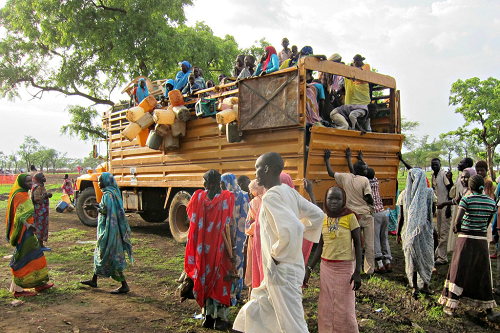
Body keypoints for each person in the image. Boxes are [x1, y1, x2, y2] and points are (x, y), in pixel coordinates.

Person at [233, 152, 324, 333]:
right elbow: (317, 215)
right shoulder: (289, 192)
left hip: (281, 272)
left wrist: (276, 255)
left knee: (294, 326)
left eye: (257, 168)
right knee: (254, 310)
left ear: (266, 169)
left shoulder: (271, 197)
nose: (255, 173)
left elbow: (293, 228)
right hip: (280, 271)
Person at [438, 175, 500, 322]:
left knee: (458, 270)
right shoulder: (491, 202)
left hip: (465, 240)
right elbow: (487, 223)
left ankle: (451, 306)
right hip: (481, 241)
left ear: (470, 187)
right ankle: (489, 310)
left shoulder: (467, 199)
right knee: (482, 272)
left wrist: (457, 229)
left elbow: (458, 221)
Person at [303, 184, 362, 333]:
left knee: (345, 305)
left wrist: (357, 271)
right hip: (326, 268)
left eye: (338, 198)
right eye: (330, 198)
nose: (334, 201)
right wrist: (309, 268)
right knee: (326, 304)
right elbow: (321, 246)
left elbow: (358, 245)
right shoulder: (324, 218)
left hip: (345, 268)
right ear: (326, 200)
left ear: (343, 200)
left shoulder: (350, 217)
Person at [185, 169, 235, 330]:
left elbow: (190, 216)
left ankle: (209, 315)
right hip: (221, 247)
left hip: (204, 248)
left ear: (210, 183)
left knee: (205, 277)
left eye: (205, 182)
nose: (204, 185)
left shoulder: (198, 197)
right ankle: (219, 318)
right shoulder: (227, 197)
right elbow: (231, 223)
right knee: (220, 280)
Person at [324, 148, 375, 274]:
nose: (366, 171)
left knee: (352, 243)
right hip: (366, 215)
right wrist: (370, 203)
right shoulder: (364, 180)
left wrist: (327, 159)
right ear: (361, 171)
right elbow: (368, 196)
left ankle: (351, 268)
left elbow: (331, 173)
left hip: (352, 216)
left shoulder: (345, 177)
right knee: (369, 243)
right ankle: (369, 269)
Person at [80, 172, 133, 294]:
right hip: (113, 230)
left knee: (108, 253)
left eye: (100, 181)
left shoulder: (107, 195)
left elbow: (105, 211)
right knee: (101, 251)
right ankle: (94, 280)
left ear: (106, 181)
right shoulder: (114, 193)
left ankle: (124, 285)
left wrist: (94, 208)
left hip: (109, 230)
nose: (98, 183)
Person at [6, 174, 54, 297]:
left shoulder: (24, 194)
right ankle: (18, 290)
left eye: (30, 181)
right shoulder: (19, 195)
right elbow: (18, 215)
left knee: (36, 256)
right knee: (23, 258)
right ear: (21, 182)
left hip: (29, 231)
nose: (30, 183)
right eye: (27, 181)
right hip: (23, 232)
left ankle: (38, 284)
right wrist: (28, 225)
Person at [347, 150, 392, 273]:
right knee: (384, 238)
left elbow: (353, 172)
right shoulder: (375, 180)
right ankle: (388, 262)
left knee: (374, 239)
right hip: (384, 212)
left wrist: (350, 159)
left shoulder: (364, 183)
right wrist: (362, 159)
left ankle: (380, 264)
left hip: (375, 214)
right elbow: (367, 169)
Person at [397, 168, 436, 298]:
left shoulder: (404, 194)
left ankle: (414, 287)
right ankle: (425, 285)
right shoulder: (429, 193)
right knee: (426, 257)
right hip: (425, 232)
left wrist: (398, 233)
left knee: (411, 259)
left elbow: (401, 217)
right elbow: (432, 212)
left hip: (409, 232)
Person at [221, 173, 249, 305]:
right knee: (239, 264)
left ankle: (228, 294)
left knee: (227, 263)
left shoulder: (225, 196)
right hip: (241, 235)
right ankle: (236, 295)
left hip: (228, 235)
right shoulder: (243, 195)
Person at [245, 180, 266, 291]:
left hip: (255, 238)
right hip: (267, 238)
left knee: (254, 265)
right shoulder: (269, 199)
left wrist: (251, 229)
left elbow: (249, 222)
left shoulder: (255, 202)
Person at [432, 158, 453, 265]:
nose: (434, 166)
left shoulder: (444, 175)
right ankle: (439, 253)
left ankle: (442, 258)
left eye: (436, 165)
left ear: (440, 165)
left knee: (444, 232)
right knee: (440, 232)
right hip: (439, 207)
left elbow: (450, 190)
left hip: (446, 207)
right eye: (433, 165)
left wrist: (449, 207)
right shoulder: (433, 176)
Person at [32, 173, 52, 251]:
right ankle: (40, 245)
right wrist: (46, 196)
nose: (44, 178)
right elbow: (37, 198)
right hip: (39, 211)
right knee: (40, 226)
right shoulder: (37, 187)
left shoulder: (40, 186)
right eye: (42, 177)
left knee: (41, 226)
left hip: (42, 210)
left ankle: (40, 244)